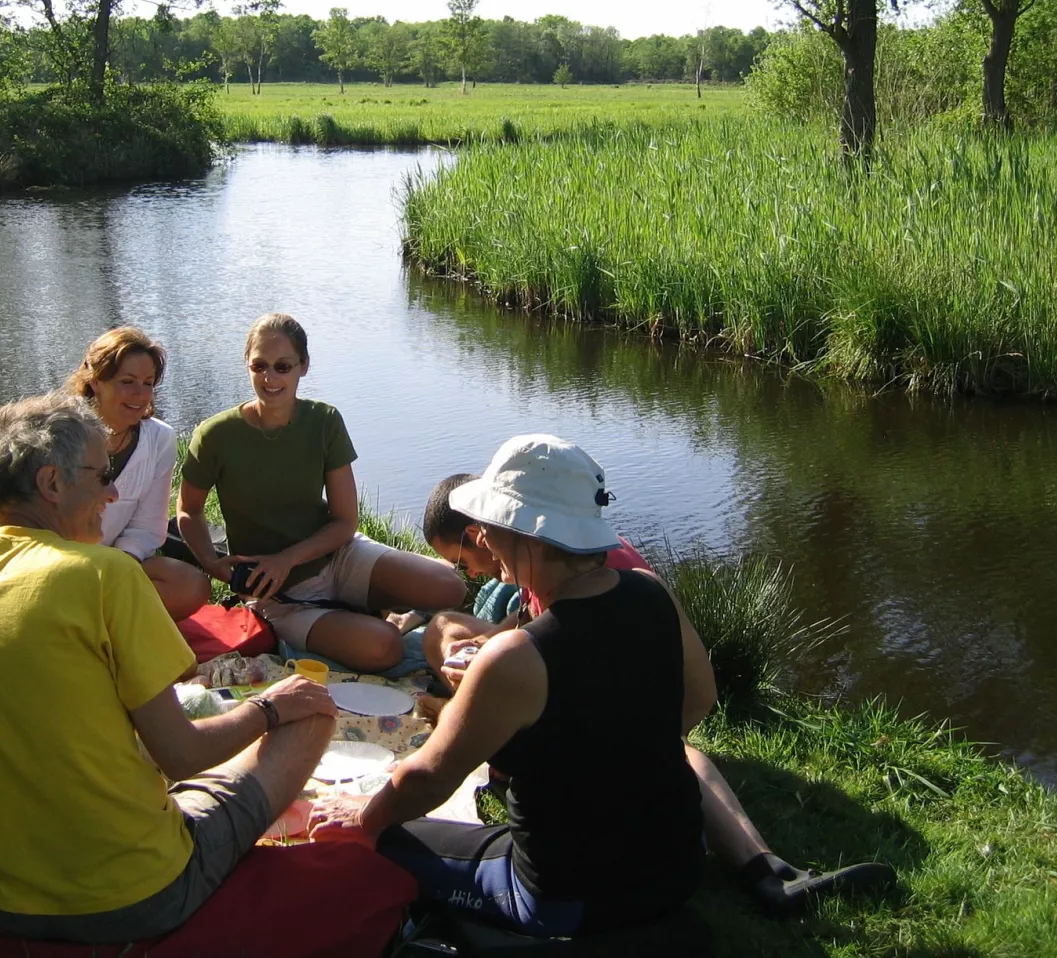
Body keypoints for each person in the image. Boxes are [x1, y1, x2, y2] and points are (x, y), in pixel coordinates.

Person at [311, 435, 894, 935]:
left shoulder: (515, 658)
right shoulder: (653, 594)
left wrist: (360, 817)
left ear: (530, 536)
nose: (484, 541)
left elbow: (425, 778)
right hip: (677, 872)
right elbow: (700, 700)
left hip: (567, 898)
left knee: (389, 840)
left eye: (494, 528)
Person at [0, 392, 337, 943]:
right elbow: (182, 756)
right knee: (310, 712)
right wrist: (270, 707)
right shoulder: (105, 575)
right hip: (132, 894)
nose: (111, 491)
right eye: (101, 473)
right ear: (51, 484)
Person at [177, 313, 465, 672]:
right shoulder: (215, 435)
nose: (270, 378)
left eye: (283, 366)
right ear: (247, 365)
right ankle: (376, 615)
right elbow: (189, 509)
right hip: (279, 596)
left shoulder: (324, 420)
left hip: (338, 557)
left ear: (304, 366)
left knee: (450, 587)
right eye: (259, 366)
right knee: (385, 647)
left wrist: (288, 558)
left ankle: (374, 604)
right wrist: (210, 561)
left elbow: (345, 521)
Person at [420, 471, 653, 684]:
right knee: (442, 627)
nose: (470, 573)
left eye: (462, 562)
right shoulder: (550, 556)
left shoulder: (585, 578)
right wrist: (483, 642)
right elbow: (531, 612)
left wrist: (486, 671)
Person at [66, 326, 210, 621]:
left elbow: (147, 528)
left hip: (117, 566)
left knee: (192, 586)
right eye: (127, 382)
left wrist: (119, 568)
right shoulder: (61, 433)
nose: (139, 395)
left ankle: (99, 620)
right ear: (95, 381)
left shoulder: (160, 438)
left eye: (147, 383)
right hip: (60, 564)